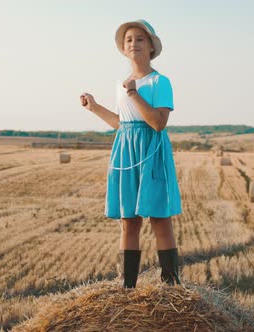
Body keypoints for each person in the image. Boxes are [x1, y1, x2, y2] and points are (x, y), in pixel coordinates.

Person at [80, 19, 182, 288]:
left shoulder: (160, 81)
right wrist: (94, 107)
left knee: (160, 219)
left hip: (151, 151)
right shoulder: (122, 84)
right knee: (129, 222)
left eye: (139, 39)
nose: (133, 43)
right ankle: (127, 288)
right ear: (123, 49)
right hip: (125, 149)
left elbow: (158, 123)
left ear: (151, 47)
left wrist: (135, 95)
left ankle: (171, 287)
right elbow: (121, 123)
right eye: (129, 40)